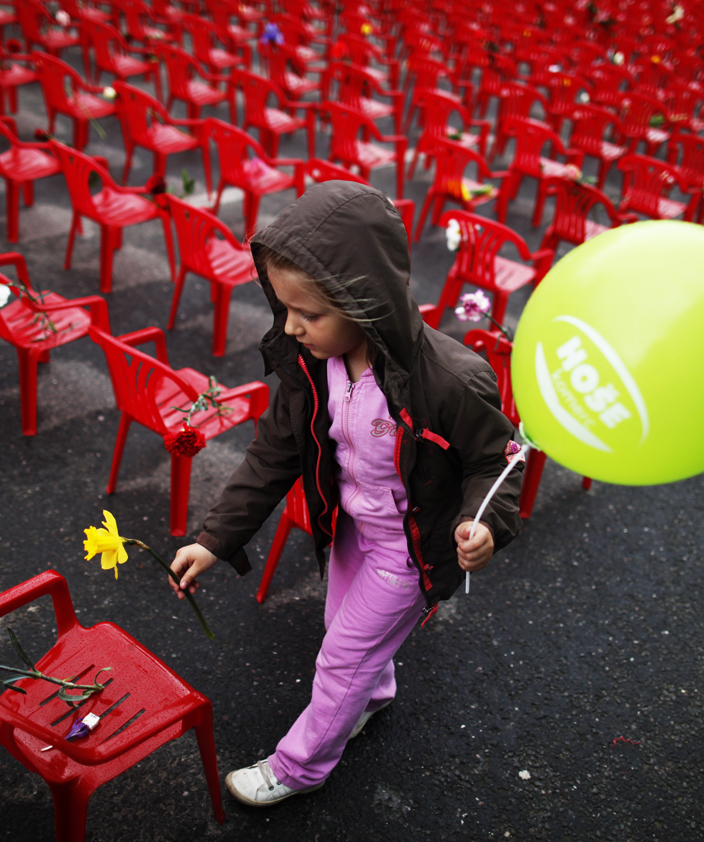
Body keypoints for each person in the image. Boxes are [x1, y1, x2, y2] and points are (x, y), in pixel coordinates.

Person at [168, 181, 523, 806]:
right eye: (285, 309)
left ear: (367, 301)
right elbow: (274, 450)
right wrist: (216, 538)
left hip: (410, 551)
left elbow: (497, 459)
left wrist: (483, 522)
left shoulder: (449, 380)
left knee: (341, 657)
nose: (293, 327)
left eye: (310, 314)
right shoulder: (314, 365)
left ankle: (300, 765)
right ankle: (369, 696)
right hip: (355, 529)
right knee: (340, 628)